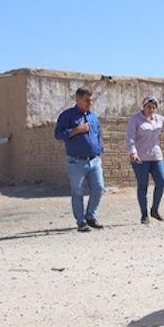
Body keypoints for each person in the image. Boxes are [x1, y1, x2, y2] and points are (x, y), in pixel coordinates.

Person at [55, 87, 106, 233]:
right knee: (78, 192)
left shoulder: (93, 117)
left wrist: (99, 155)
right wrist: (76, 130)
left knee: (99, 188)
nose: (90, 103)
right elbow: (58, 134)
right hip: (76, 161)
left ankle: (90, 216)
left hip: (94, 160)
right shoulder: (67, 116)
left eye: (91, 100)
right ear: (77, 100)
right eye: (86, 100)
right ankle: (81, 221)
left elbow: (97, 137)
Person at [126, 96, 164, 225]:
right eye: (149, 107)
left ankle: (154, 209)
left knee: (161, 181)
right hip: (140, 157)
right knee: (143, 185)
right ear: (143, 106)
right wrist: (132, 152)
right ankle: (144, 214)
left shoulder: (158, 119)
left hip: (155, 156)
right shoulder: (135, 119)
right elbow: (130, 137)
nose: (151, 110)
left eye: (154, 107)